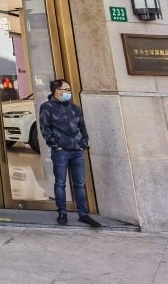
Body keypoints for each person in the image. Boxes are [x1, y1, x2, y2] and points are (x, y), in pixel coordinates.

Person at [39, 79, 101, 228]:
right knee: (60, 183)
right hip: (61, 152)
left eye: (69, 90)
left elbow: (82, 126)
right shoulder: (47, 107)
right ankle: (62, 213)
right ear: (57, 91)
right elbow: (45, 128)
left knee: (79, 183)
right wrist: (56, 145)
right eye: (65, 89)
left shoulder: (74, 108)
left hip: (77, 151)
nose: (68, 92)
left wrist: (83, 144)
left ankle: (84, 214)